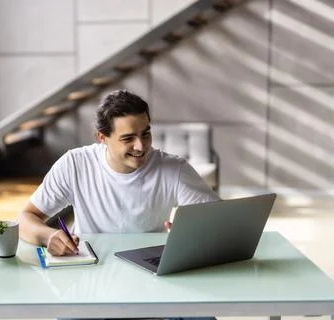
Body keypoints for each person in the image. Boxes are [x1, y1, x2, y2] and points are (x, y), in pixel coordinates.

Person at [19, 89, 219, 319]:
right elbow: (25, 218)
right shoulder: (75, 164)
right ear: (102, 137)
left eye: (146, 134)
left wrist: (192, 234)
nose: (140, 146)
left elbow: (220, 221)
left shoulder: (174, 169)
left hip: (154, 281)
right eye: (127, 138)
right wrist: (48, 236)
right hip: (91, 283)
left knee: (202, 314)